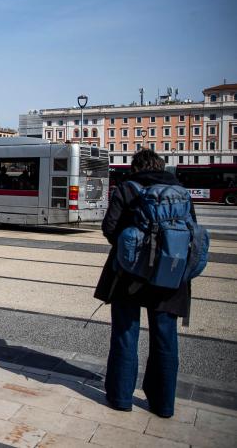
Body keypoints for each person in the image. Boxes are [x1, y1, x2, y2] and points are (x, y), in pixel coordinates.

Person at [95, 149, 193, 419]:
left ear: (135, 167)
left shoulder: (127, 189)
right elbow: (191, 232)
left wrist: (132, 253)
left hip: (130, 277)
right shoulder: (180, 191)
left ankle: (121, 397)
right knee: (165, 339)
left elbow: (109, 228)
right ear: (161, 166)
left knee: (126, 335)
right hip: (171, 277)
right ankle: (163, 404)